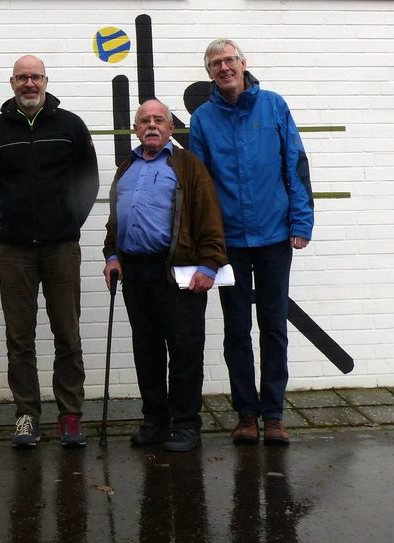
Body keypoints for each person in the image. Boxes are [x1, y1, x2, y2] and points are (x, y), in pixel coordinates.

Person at [189, 39, 314, 446]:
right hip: (230, 243)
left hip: (275, 235)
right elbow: (200, 185)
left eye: (230, 60)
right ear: (209, 73)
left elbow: (295, 164)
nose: (224, 68)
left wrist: (301, 221)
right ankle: (246, 414)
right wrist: (206, 242)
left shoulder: (274, 106)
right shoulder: (203, 119)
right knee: (237, 329)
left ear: (244, 64)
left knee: (273, 327)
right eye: (216, 63)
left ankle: (274, 415)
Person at [0, 55, 99, 448]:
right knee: (19, 340)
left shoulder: (70, 126)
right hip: (15, 251)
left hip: (61, 248)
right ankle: (26, 416)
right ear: (12, 82)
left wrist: (69, 221)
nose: (29, 84)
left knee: (68, 335)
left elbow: (88, 179)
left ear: (46, 80)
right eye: (22, 77)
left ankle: (70, 416)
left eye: (35, 77)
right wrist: (7, 220)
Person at [102, 99, 227, 452]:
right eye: (145, 121)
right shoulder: (126, 166)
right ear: (135, 129)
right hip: (136, 273)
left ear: (171, 128)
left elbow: (209, 215)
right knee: (147, 350)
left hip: (177, 274)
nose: (152, 125)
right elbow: (116, 220)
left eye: (159, 120)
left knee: (185, 349)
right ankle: (155, 421)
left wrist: (210, 264)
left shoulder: (188, 165)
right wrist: (112, 255)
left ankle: (185, 424)